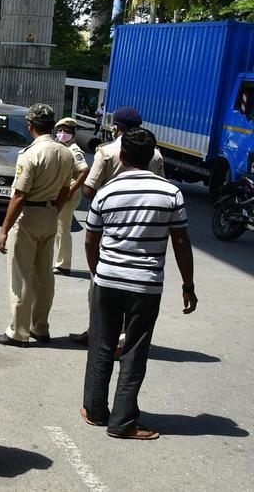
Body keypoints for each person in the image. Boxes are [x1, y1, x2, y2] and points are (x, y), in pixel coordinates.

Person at [81, 128, 196, 440]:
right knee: (133, 350)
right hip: (145, 286)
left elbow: (91, 239)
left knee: (101, 343)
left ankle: (94, 410)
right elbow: (181, 241)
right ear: (152, 157)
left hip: (107, 280)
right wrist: (188, 285)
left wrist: (98, 272)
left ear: (121, 156)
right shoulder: (170, 193)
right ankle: (122, 422)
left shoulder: (106, 192)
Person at [71, 106, 165, 345]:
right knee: (135, 284)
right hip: (145, 228)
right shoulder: (155, 154)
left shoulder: (107, 151)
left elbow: (89, 189)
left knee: (100, 281)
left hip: (111, 226)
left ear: (117, 128)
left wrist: (108, 201)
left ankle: (98, 332)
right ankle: (125, 337)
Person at [0, 103, 76, 347]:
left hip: (28, 215)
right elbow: (66, 189)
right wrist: (54, 210)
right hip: (50, 215)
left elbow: (19, 196)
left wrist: (4, 230)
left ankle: (18, 331)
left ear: (30, 126)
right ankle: (41, 327)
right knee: (43, 275)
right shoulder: (65, 152)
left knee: (20, 274)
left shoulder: (31, 154)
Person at [53, 118, 90, 275]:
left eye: (66, 131)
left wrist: (71, 190)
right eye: (60, 131)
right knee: (58, 229)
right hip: (61, 192)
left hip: (68, 194)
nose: (62, 134)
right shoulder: (61, 147)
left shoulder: (74, 150)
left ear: (72, 134)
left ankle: (63, 265)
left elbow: (84, 170)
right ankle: (61, 262)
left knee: (62, 229)